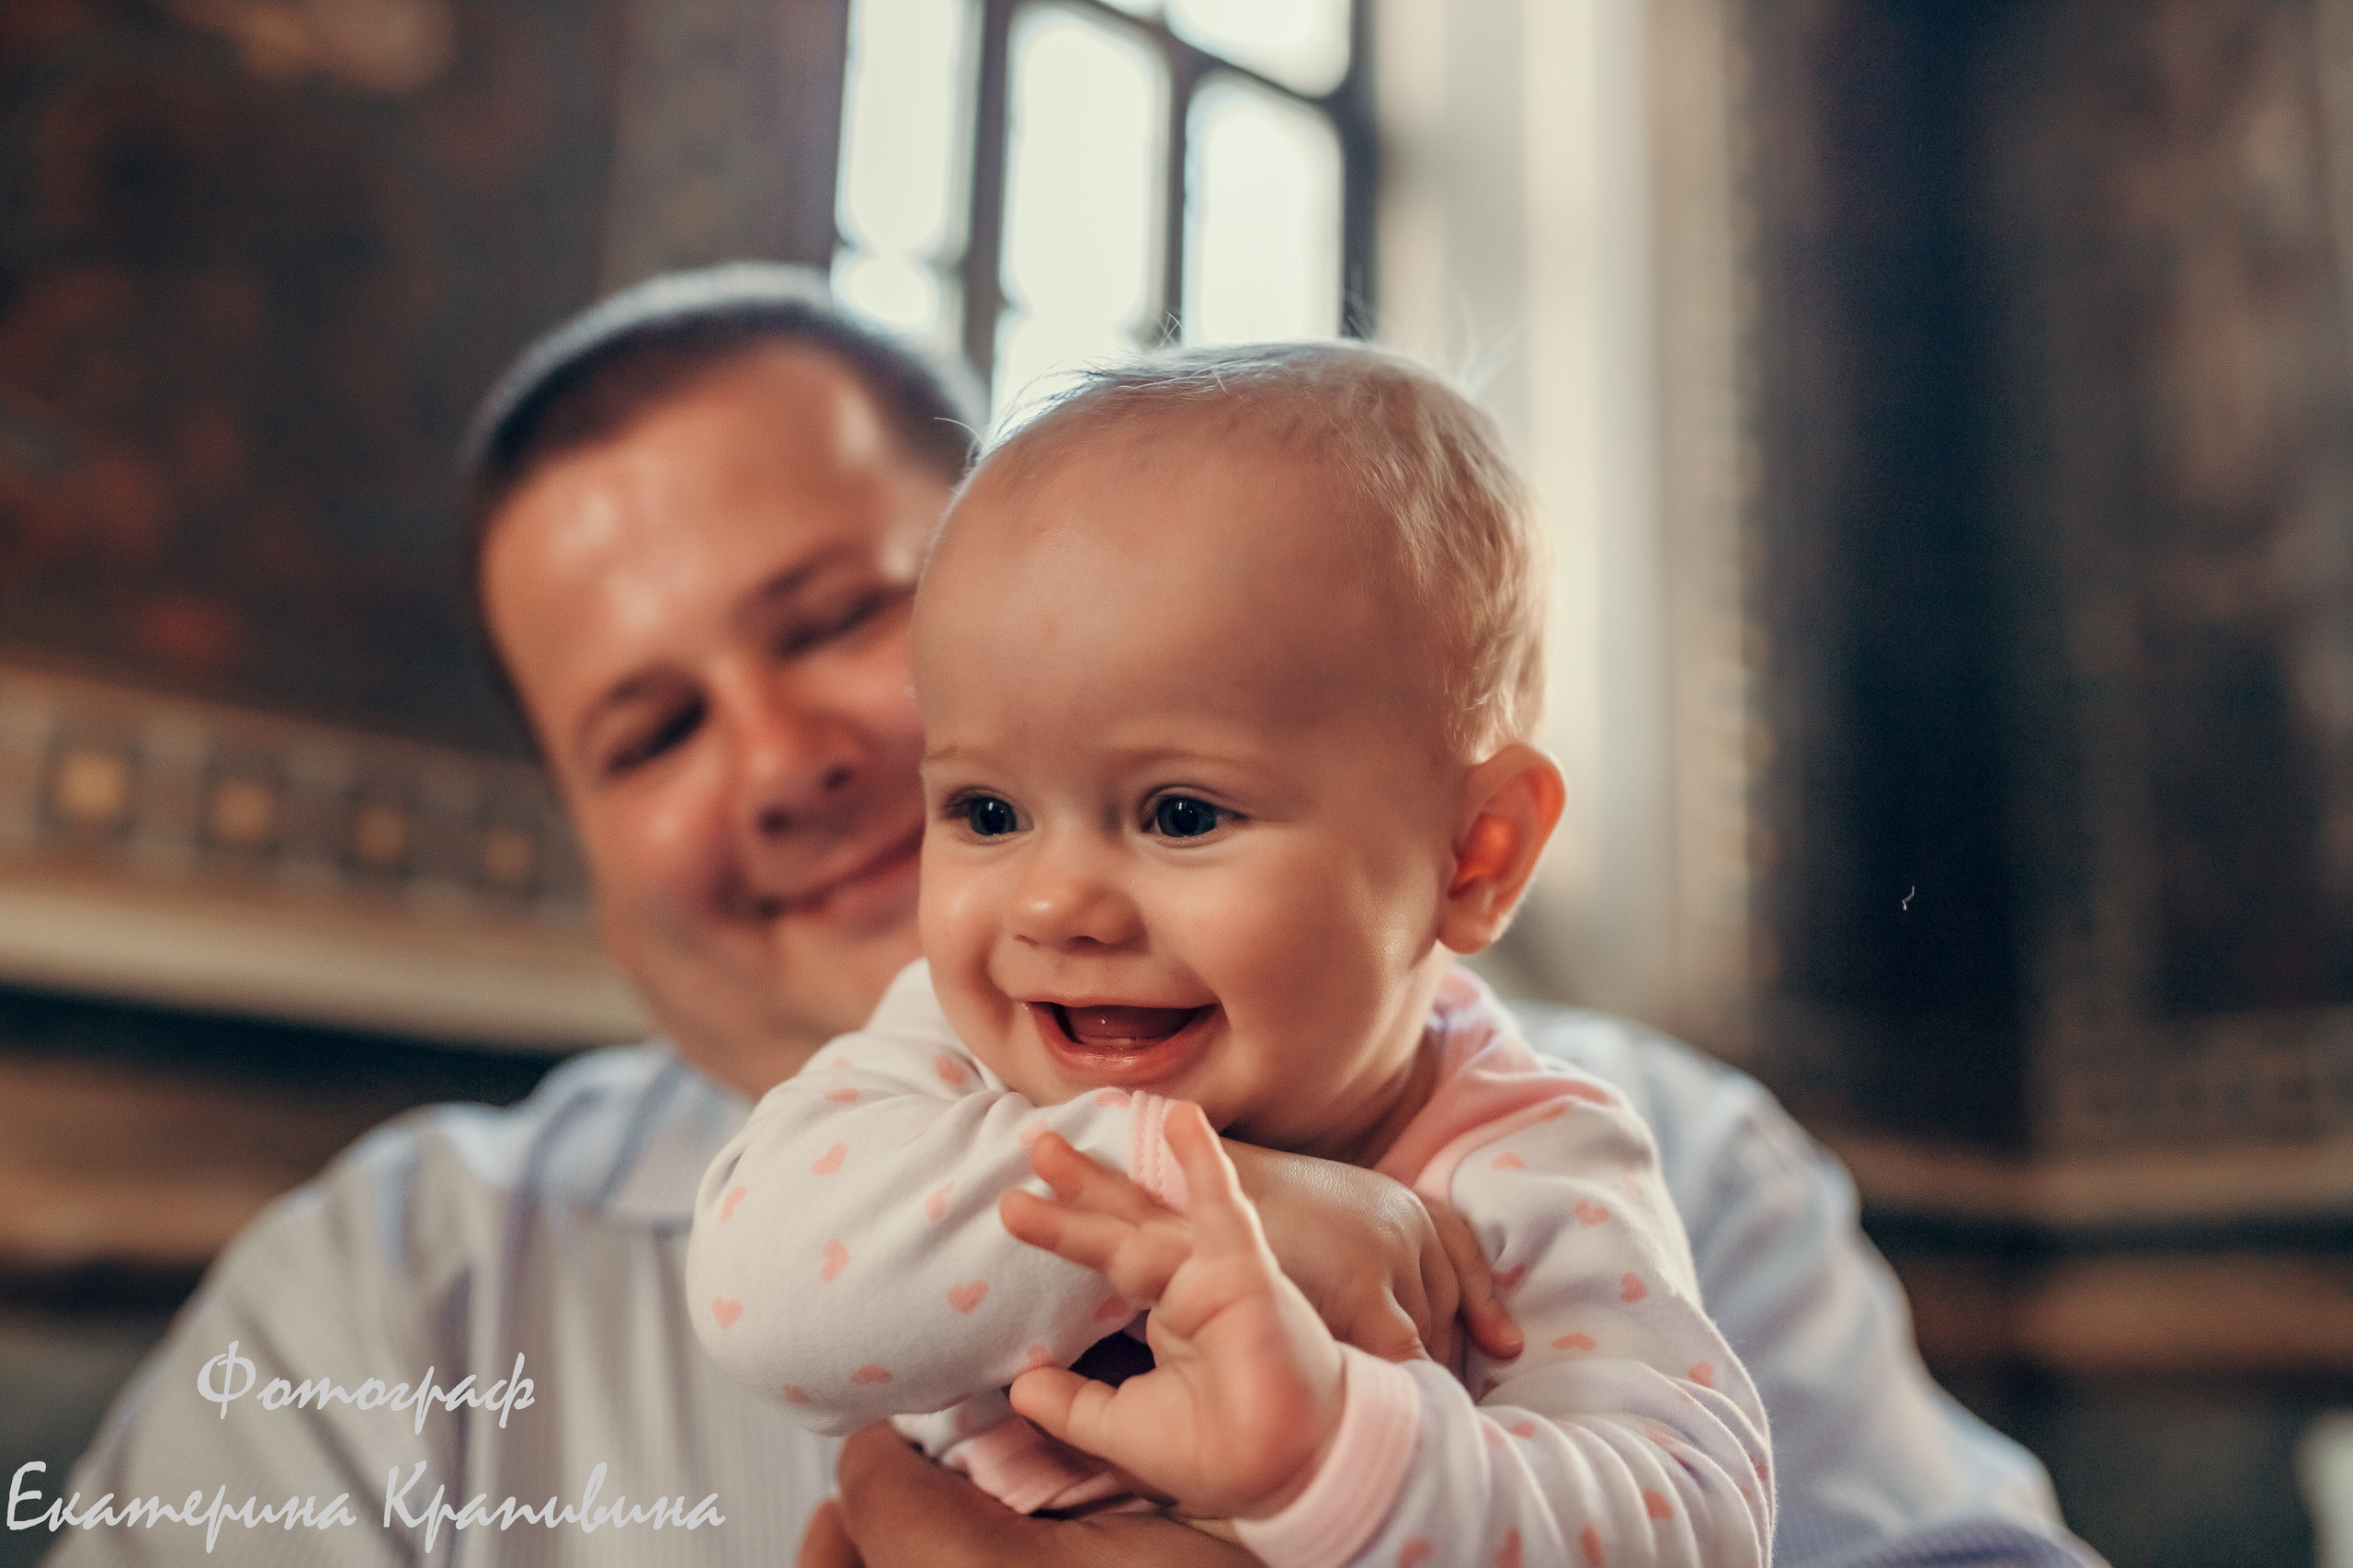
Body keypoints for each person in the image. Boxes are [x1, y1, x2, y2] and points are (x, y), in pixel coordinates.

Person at [35, 265, 2100, 1568]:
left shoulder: (1651, 1165)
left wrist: (1340, 1457)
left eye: (842, 613)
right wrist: (1205, 1202)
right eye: (650, 727)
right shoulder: (391, 1299)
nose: (775, 761)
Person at [688, 343, 1772, 1568]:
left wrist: (1335, 1454)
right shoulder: (956, 1046)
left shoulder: (1524, 1162)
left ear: (1476, 853)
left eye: (1182, 814)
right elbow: (753, 1292)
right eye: (987, 813)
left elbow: (1697, 1524)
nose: (1056, 905)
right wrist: (1195, 1187)